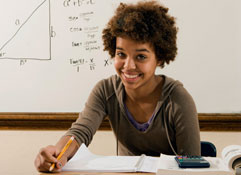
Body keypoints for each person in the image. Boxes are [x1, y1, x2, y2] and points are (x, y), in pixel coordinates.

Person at [34, 0, 200, 172]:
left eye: (141, 57)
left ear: (159, 58)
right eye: (121, 54)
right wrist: (56, 153)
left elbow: (193, 167)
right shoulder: (105, 90)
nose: (128, 66)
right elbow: (79, 133)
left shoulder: (178, 99)